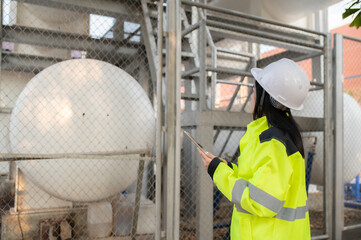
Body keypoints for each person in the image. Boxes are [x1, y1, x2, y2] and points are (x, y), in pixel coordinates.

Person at [199, 58, 311, 240]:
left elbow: (261, 201)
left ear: (266, 99)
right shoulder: (275, 137)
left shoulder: (273, 143)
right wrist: (225, 167)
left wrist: (219, 173)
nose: (252, 97)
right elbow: (256, 180)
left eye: (254, 92)